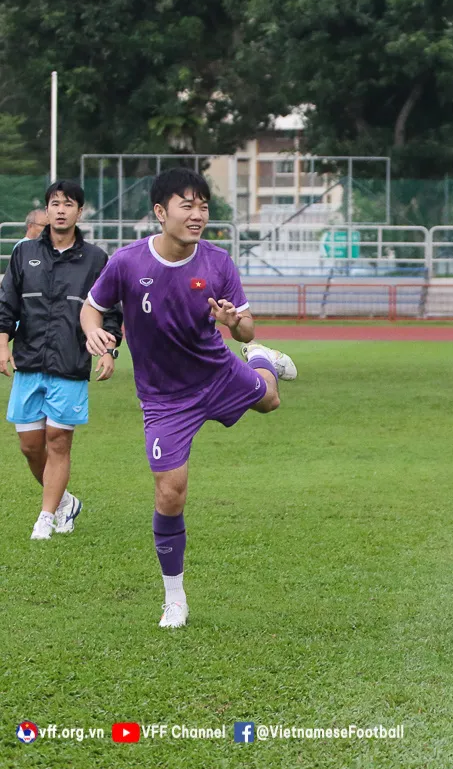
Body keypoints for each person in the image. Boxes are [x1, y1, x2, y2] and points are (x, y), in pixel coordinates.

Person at [80, 167, 297, 630]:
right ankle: (174, 597)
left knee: (271, 401)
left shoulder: (218, 262)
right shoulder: (127, 262)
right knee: (170, 492)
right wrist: (94, 332)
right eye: (188, 205)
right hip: (164, 399)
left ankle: (261, 360)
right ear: (161, 212)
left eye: (203, 205)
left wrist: (236, 327)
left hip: (217, 373)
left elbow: (246, 322)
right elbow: (91, 308)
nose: (198, 214)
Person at [0, 181, 123, 540]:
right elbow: (7, 303)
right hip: (28, 360)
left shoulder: (96, 259)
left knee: (58, 440)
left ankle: (46, 516)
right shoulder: (24, 253)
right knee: (29, 446)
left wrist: (109, 350)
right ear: (47, 208)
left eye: (68, 204)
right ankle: (67, 501)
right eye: (55, 203)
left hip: (70, 364)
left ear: (79, 212)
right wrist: (2, 344)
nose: (60, 210)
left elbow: (110, 312)